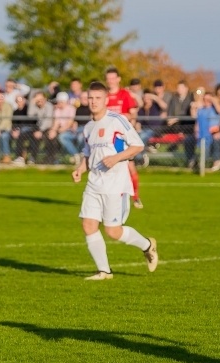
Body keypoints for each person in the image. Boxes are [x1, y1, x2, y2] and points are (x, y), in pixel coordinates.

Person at [71, 81, 157, 281]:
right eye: (90, 98)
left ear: (106, 100)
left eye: (97, 98)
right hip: (94, 183)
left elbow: (137, 145)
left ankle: (147, 245)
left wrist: (116, 158)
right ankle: (104, 271)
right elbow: (88, 155)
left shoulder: (117, 120)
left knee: (113, 232)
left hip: (115, 184)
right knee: (88, 225)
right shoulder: (88, 127)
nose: (93, 102)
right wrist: (80, 170)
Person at [105, 67, 144, 208]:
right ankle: (112, 199)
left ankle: (136, 197)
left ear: (118, 79)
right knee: (109, 169)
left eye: (113, 78)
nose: (110, 81)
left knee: (130, 168)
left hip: (122, 139)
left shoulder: (125, 94)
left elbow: (133, 114)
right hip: (108, 139)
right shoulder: (103, 96)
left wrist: (123, 117)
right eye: (108, 79)